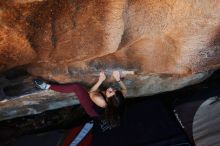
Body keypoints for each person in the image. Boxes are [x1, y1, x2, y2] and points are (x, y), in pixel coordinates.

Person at [33, 71, 127, 128]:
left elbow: (91, 92)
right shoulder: (118, 97)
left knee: (76, 87)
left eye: (110, 92)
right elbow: (125, 90)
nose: (110, 89)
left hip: (91, 109)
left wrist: (101, 80)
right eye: (114, 90)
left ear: (109, 100)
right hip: (109, 106)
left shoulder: (100, 101)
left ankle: (46, 86)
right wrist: (118, 79)